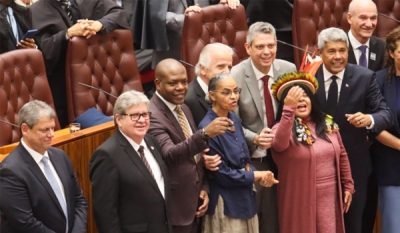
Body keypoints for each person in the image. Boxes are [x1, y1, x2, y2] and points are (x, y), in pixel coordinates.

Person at [314, 27, 393, 233]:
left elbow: (385, 114)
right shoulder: (308, 77)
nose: (338, 56)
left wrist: (369, 119)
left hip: (355, 163)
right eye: (332, 51)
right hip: (318, 165)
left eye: (343, 50)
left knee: (354, 222)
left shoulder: (364, 77)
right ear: (320, 51)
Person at [148, 58, 233, 233]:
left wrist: (203, 187)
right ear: (158, 83)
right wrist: (204, 134)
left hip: (196, 200)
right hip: (175, 206)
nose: (181, 87)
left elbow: (196, 155)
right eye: (173, 83)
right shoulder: (152, 114)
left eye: (184, 82)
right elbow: (170, 155)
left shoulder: (183, 107)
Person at [230, 21, 296, 233]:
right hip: (254, 159)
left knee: (287, 218)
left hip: (287, 158)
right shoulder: (235, 75)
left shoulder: (288, 69)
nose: (267, 52)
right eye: (260, 47)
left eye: (271, 45)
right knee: (263, 223)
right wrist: (254, 137)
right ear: (248, 48)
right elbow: (232, 121)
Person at [270, 72, 354, 233]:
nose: (300, 100)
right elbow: (279, 145)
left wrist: (348, 185)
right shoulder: (279, 129)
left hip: (330, 196)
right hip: (300, 198)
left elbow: (342, 155)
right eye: (294, 99)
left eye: (304, 96)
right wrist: (288, 112)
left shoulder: (328, 124)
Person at [30, 0, 130, 127]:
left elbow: (120, 13)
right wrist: (67, 34)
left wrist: (100, 24)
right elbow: (43, 50)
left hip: (102, 77)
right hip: (63, 86)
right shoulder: (36, 10)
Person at [199, 74, 278, 233]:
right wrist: (256, 176)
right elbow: (222, 174)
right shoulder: (208, 127)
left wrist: (258, 175)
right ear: (212, 95)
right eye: (226, 92)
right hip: (226, 203)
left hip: (245, 196)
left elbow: (244, 160)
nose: (233, 96)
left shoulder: (233, 117)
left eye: (236, 91)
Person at [89, 90, 172, 233]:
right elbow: (105, 213)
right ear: (118, 119)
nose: (141, 120)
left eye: (145, 114)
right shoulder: (106, 155)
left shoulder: (151, 142)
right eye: (134, 115)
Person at [0, 100, 88, 233]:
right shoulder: (10, 170)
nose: (51, 134)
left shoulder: (60, 156)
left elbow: (79, 200)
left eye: (53, 128)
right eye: (45, 129)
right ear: (25, 129)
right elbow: (24, 222)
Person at [148, 0, 239, 68]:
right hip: (174, 51)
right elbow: (155, 15)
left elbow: (212, 4)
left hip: (205, 43)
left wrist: (223, 3)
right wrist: (187, 18)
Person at [373, 26, 400, 233]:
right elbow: (374, 126)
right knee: (393, 226)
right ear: (391, 53)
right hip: (391, 165)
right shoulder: (379, 80)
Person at [185, 42, 234, 126]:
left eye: (229, 67)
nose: (227, 72)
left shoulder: (230, 90)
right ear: (203, 68)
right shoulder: (188, 100)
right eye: (220, 66)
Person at [347, 0, 385, 72]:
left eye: (373, 18)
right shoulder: (337, 47)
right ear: (349, 18)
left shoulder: (383, 47)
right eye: (363, 18)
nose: (369, 24)